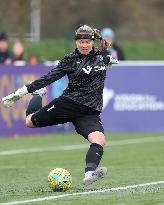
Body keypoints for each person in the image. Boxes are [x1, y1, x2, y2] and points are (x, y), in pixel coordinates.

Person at [2, 25, 118, 185]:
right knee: (29, 122)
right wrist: (21, 92)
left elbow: (103, 60)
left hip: (90, 111)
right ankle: (38, 94)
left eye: (87, 42)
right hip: (68, 104)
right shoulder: (70, 60)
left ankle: (89, 173)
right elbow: (47, 78)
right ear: (76, 42)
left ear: (92, 42)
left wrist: (110, 60)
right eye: (81, 42)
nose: (84, 45)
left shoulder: (100, 56)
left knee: (99, 139)